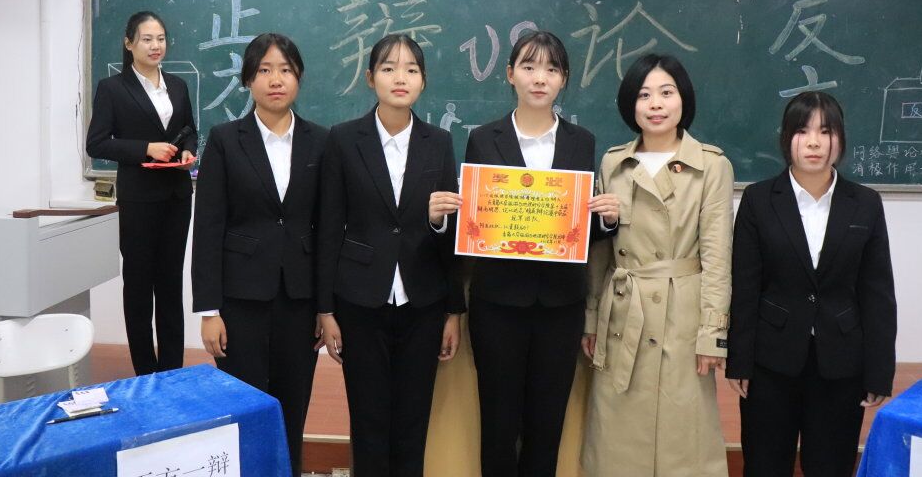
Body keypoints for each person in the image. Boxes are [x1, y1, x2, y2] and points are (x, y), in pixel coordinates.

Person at [465, 30, 618, 477]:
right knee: (498, 423)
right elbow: (477, 221)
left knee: (547, 424)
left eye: (551, 69)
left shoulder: (581, 142)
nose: (539, 78)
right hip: (498, 304)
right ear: (510, 74)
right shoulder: (483, 139)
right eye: (529, 67)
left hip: (559, 306)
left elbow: (577, 229)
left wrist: (608, 220)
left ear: (563, 79)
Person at [315, 33, 464, 477]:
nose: (401, 77)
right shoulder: (344, 139)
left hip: (423, 301)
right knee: (368, 421)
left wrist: (453, 311)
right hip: (360, 301)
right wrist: (325, 310)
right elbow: (329, 228)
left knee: (413, 423)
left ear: (423, 81)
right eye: (388, 68)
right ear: (370, 78)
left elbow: (450, 233)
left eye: (411, 70)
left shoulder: (439, 142)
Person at [727, 92, 896, 477]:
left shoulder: (865, 203)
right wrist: (739, 360)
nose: (815, 142)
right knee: (765, 465)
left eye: (826, 131)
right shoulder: (759, 200)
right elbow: (746, 285)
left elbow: (877, 293)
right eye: (803, 131)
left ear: (841, 139)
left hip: (842, 363)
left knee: (831, 466)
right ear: (786, 137)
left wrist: (879, 370)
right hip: (770, 362)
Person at [581, 53, 733, 477]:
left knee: (682, 441)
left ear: (684, 99)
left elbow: (717, 257)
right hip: (622, 311)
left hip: (681, 317)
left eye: (667, 92)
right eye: (644, 95)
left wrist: (713, 333)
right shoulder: (613, 163)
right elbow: (601, 253)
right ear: (631, 104)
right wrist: (591, 318)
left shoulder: (712, 165)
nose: (656, 104)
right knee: (618, 441)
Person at [191, 33, 327, 474]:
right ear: (248, 79)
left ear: (298, 78)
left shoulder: (321, 141)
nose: (276, 80)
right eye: (265, 70)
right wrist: (209, 310)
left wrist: (325, 308)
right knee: (243, 410)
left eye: (285, 70)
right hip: (239, 301)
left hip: (300, 300)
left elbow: (327, 230)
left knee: (292, 409)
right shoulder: (226, 140)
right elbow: (208, 227)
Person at [87, 11, 196, 376]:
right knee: (138, 287)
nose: (155, 46)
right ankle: (146, 372)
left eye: (160, 38)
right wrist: (145, 148)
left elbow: (189, 130)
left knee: (170, 284)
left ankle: (171, 371)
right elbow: (96, 143)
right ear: (129, 43)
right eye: (147, 39)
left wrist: (187, 151)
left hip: (177, 197)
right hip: (138, 200)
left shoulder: (177, 86)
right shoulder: (113, 89)